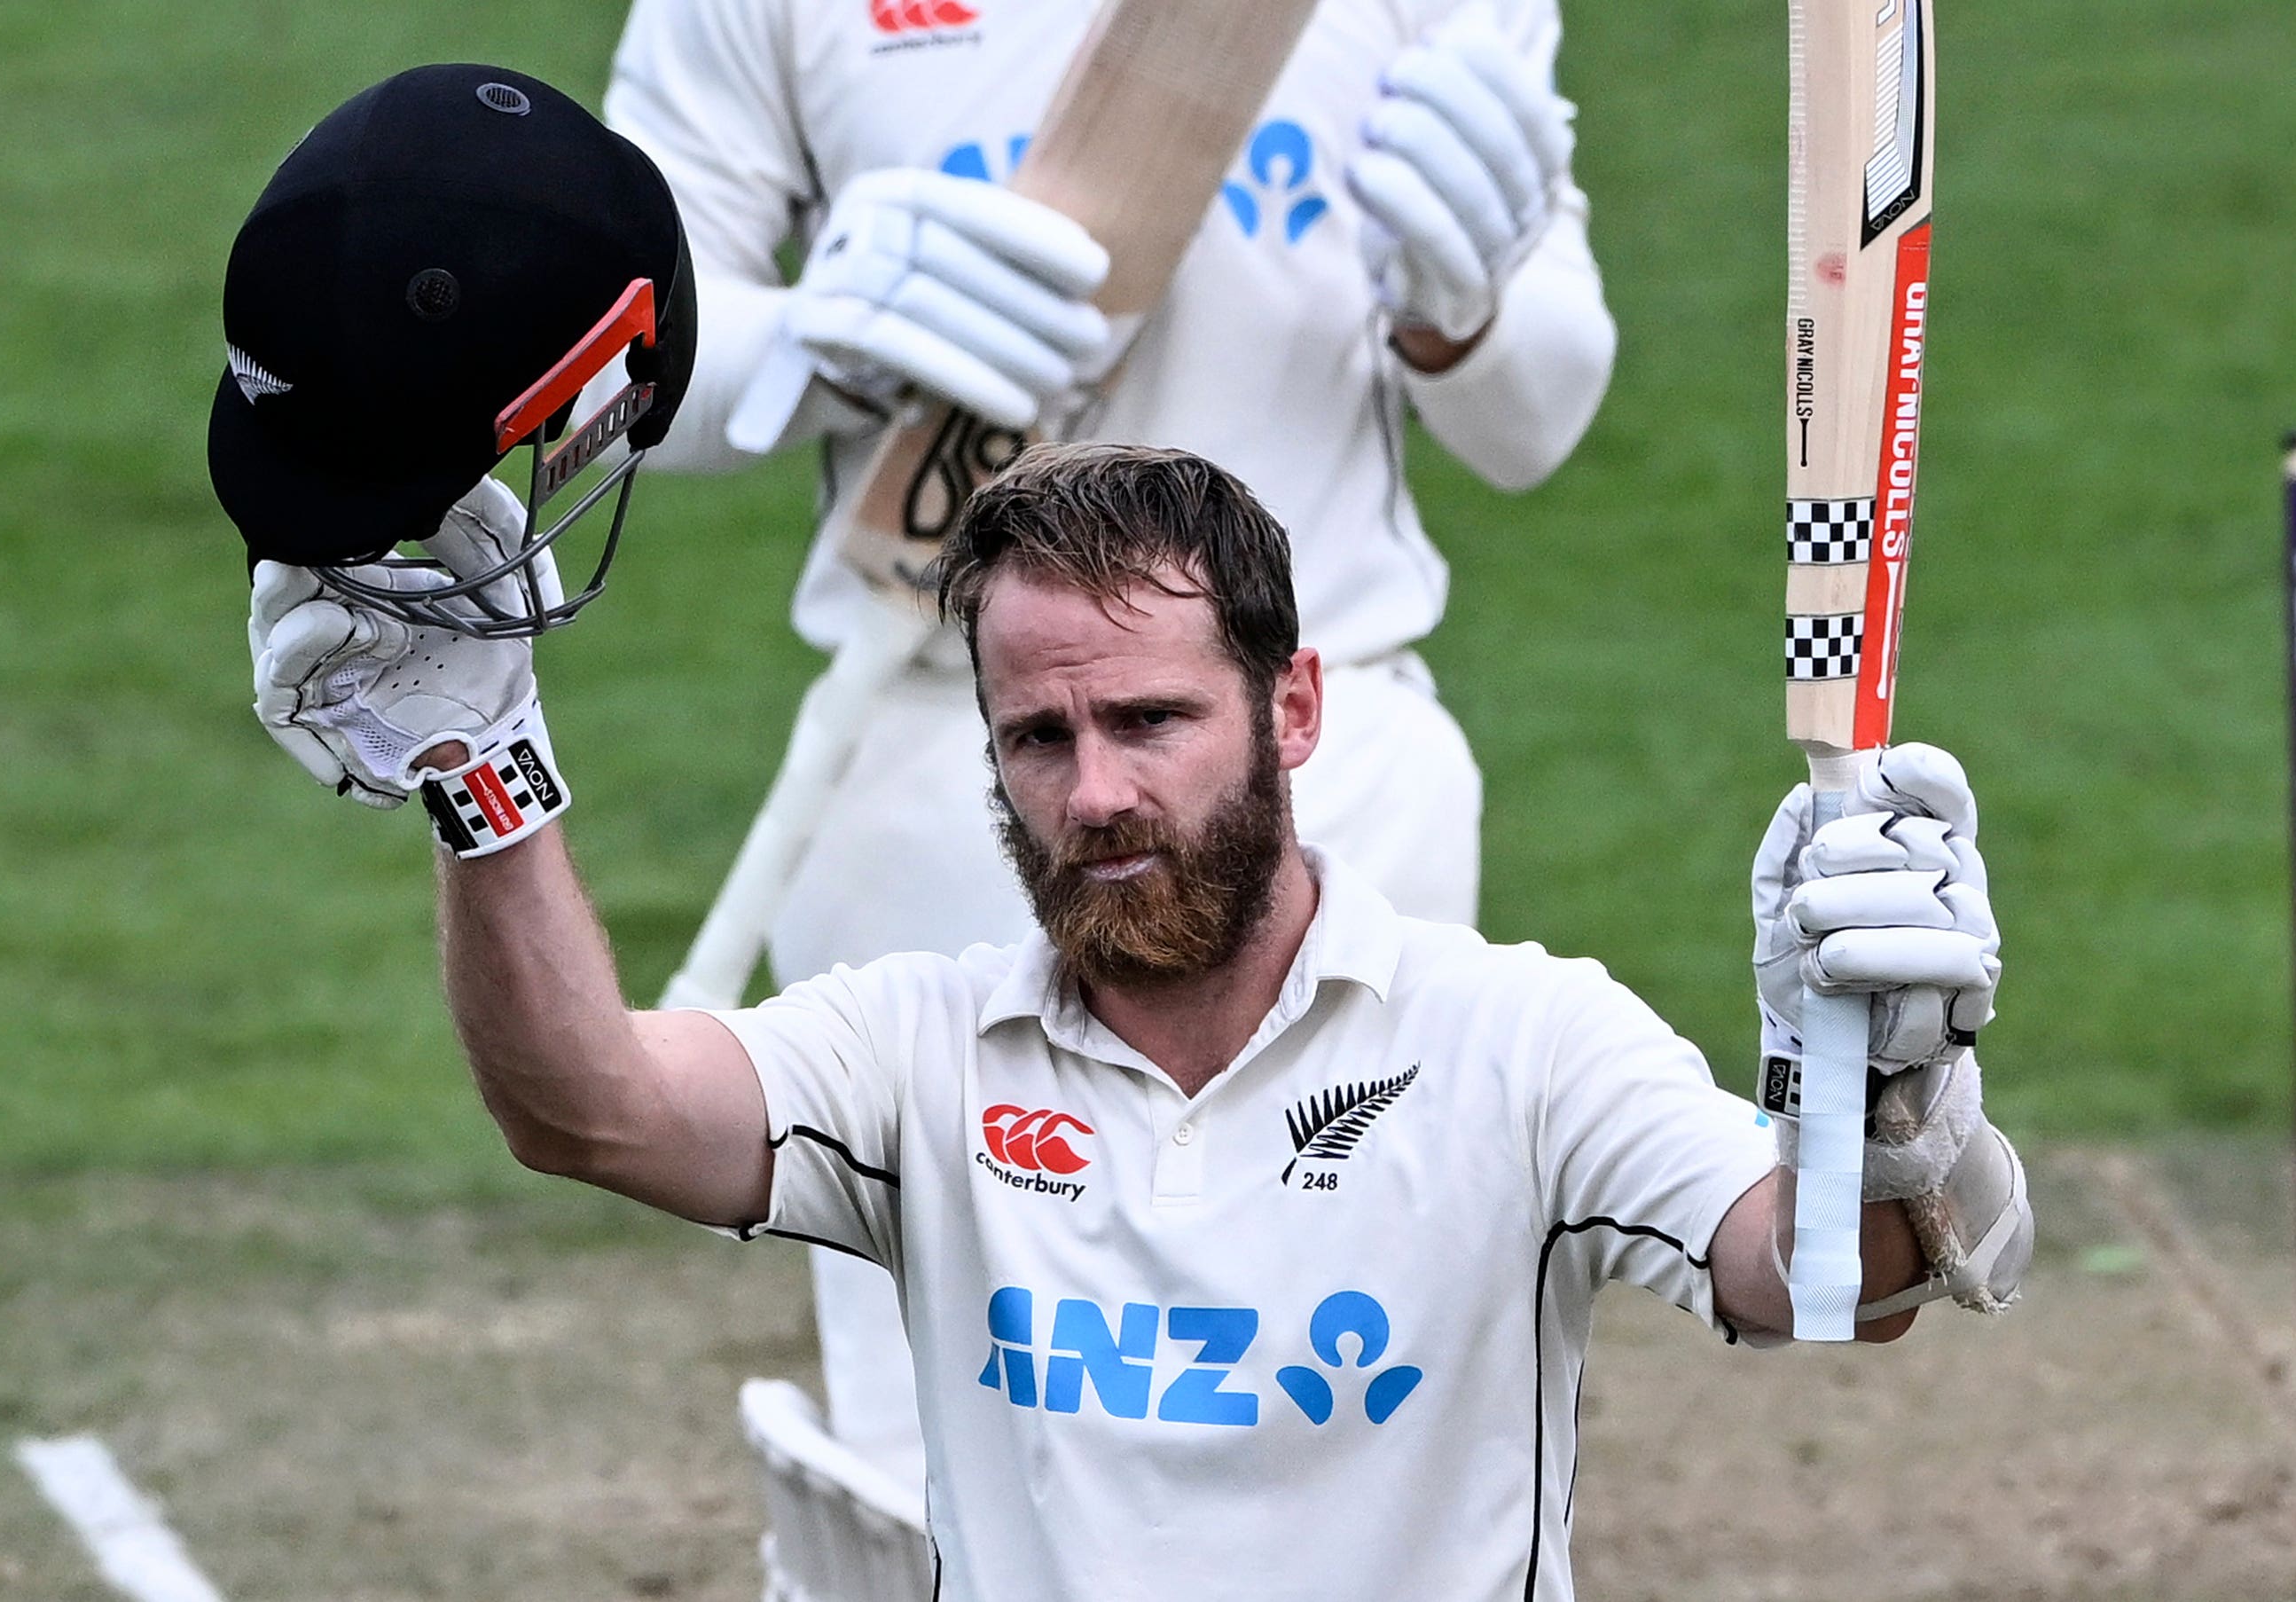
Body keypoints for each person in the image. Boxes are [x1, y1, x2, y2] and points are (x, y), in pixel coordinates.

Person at [238, 429, 2032, 1598]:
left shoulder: (1512, 1042)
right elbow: (590, 1106)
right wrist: (483, 773)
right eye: (1038, 736)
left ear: (1292, 708)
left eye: (1150, 722)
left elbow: (1823, 1284)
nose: (1092, 790)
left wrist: (1879, 1096)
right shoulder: (918, 1054)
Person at [603, 0, 1621, 1469]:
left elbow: (1536, 414)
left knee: (1358, 1424)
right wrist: (816, 333)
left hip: (1326, 768)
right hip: (946, 767)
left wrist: (1461, 313)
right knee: (947, 1454)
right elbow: (617, 345)